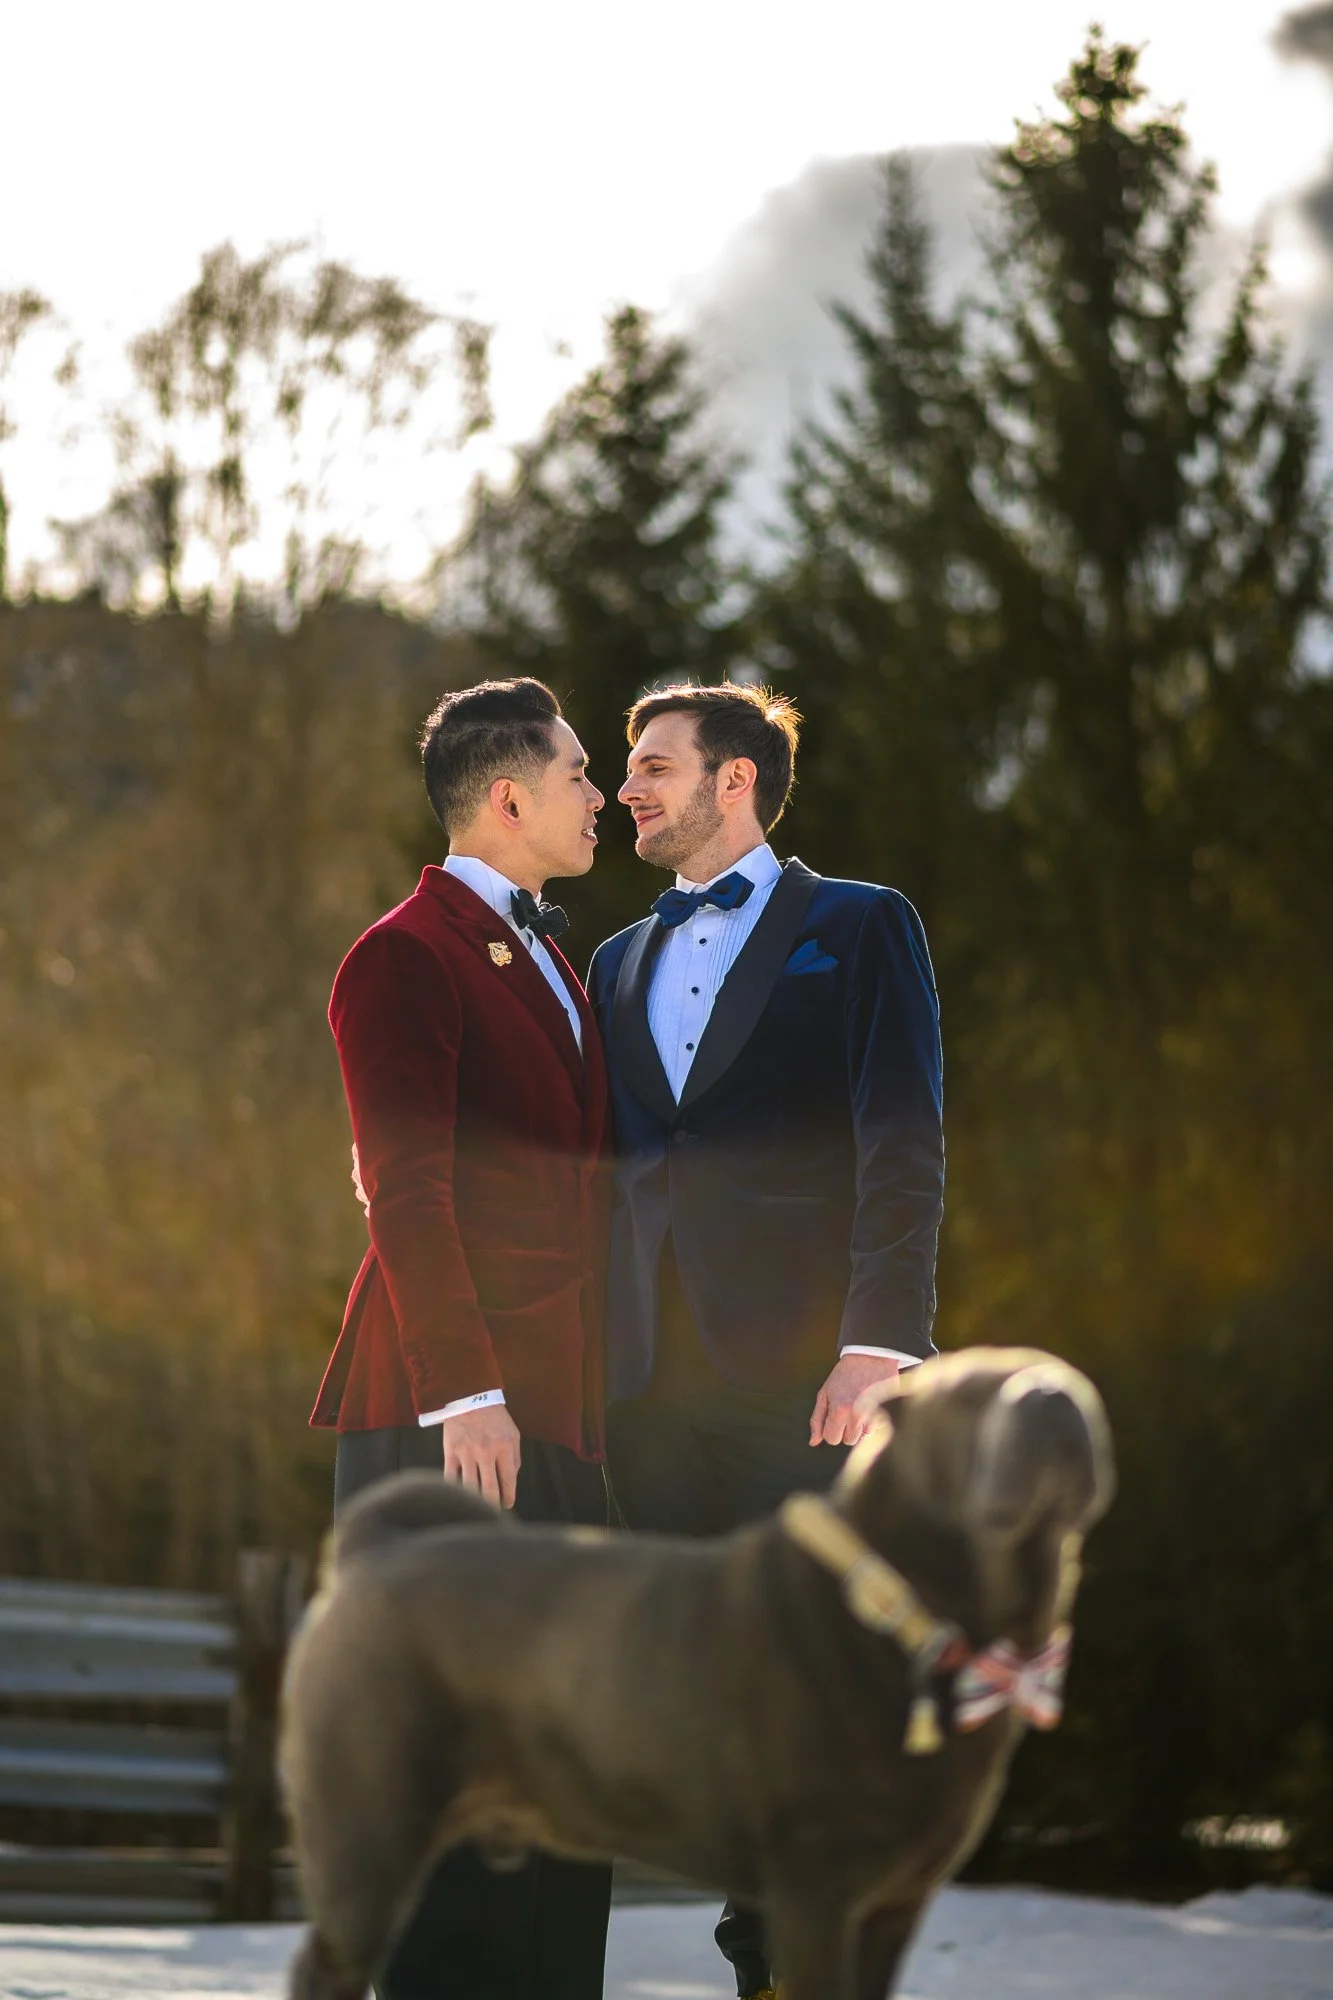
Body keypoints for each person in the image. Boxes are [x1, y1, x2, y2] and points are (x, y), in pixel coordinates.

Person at [587, 682, 945, 2000]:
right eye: (625, 769)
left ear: (733, 779)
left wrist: (880, 1341)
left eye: (651, 767)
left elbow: (901, 1138)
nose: (627, 790)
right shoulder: (613, 959)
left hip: (806, 1383)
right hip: (646, 1389)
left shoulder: (857, 928)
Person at [311, 676, 612, 2000]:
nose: (601, 796)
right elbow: (406, 1186)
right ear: (509, 797)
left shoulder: (554, 954)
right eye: (581, 773)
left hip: (561, 1422)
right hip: (456, 1421)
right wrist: (466, 1395)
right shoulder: (403, 955)